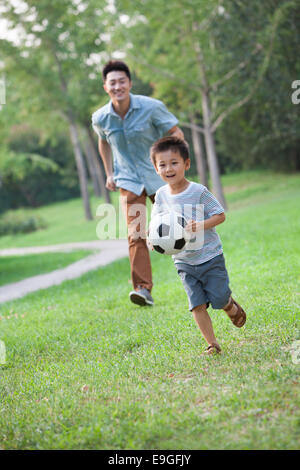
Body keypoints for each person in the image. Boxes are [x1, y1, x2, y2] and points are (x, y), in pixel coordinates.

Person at [92, 60, 184, 306]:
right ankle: (143, 290)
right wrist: (109, 173)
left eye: (122, 81)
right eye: (113, 82)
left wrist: (175, 163)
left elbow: (176, 133)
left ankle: (198, 274)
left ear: (130, 83)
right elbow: (103, 142)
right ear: (105, 86)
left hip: (159, 178)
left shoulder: (151, 107)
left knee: (180, 227)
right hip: (128, 180)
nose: (118, 86)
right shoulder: (101, 118)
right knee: (135, 235)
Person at [149, 136, 246, 354]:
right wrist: (152, 238)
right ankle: (213, 344)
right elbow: (156, 224)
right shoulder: (161, 196)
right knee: (197, 305)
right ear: (156, 168)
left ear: (187, 163)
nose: (169, 168)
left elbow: (220, 216)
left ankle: (229, 305)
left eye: (174, 162)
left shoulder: (198, 191)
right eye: (162, 164)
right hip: (184, 262)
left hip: (210, 256)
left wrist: (200, 225)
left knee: (219, 298)